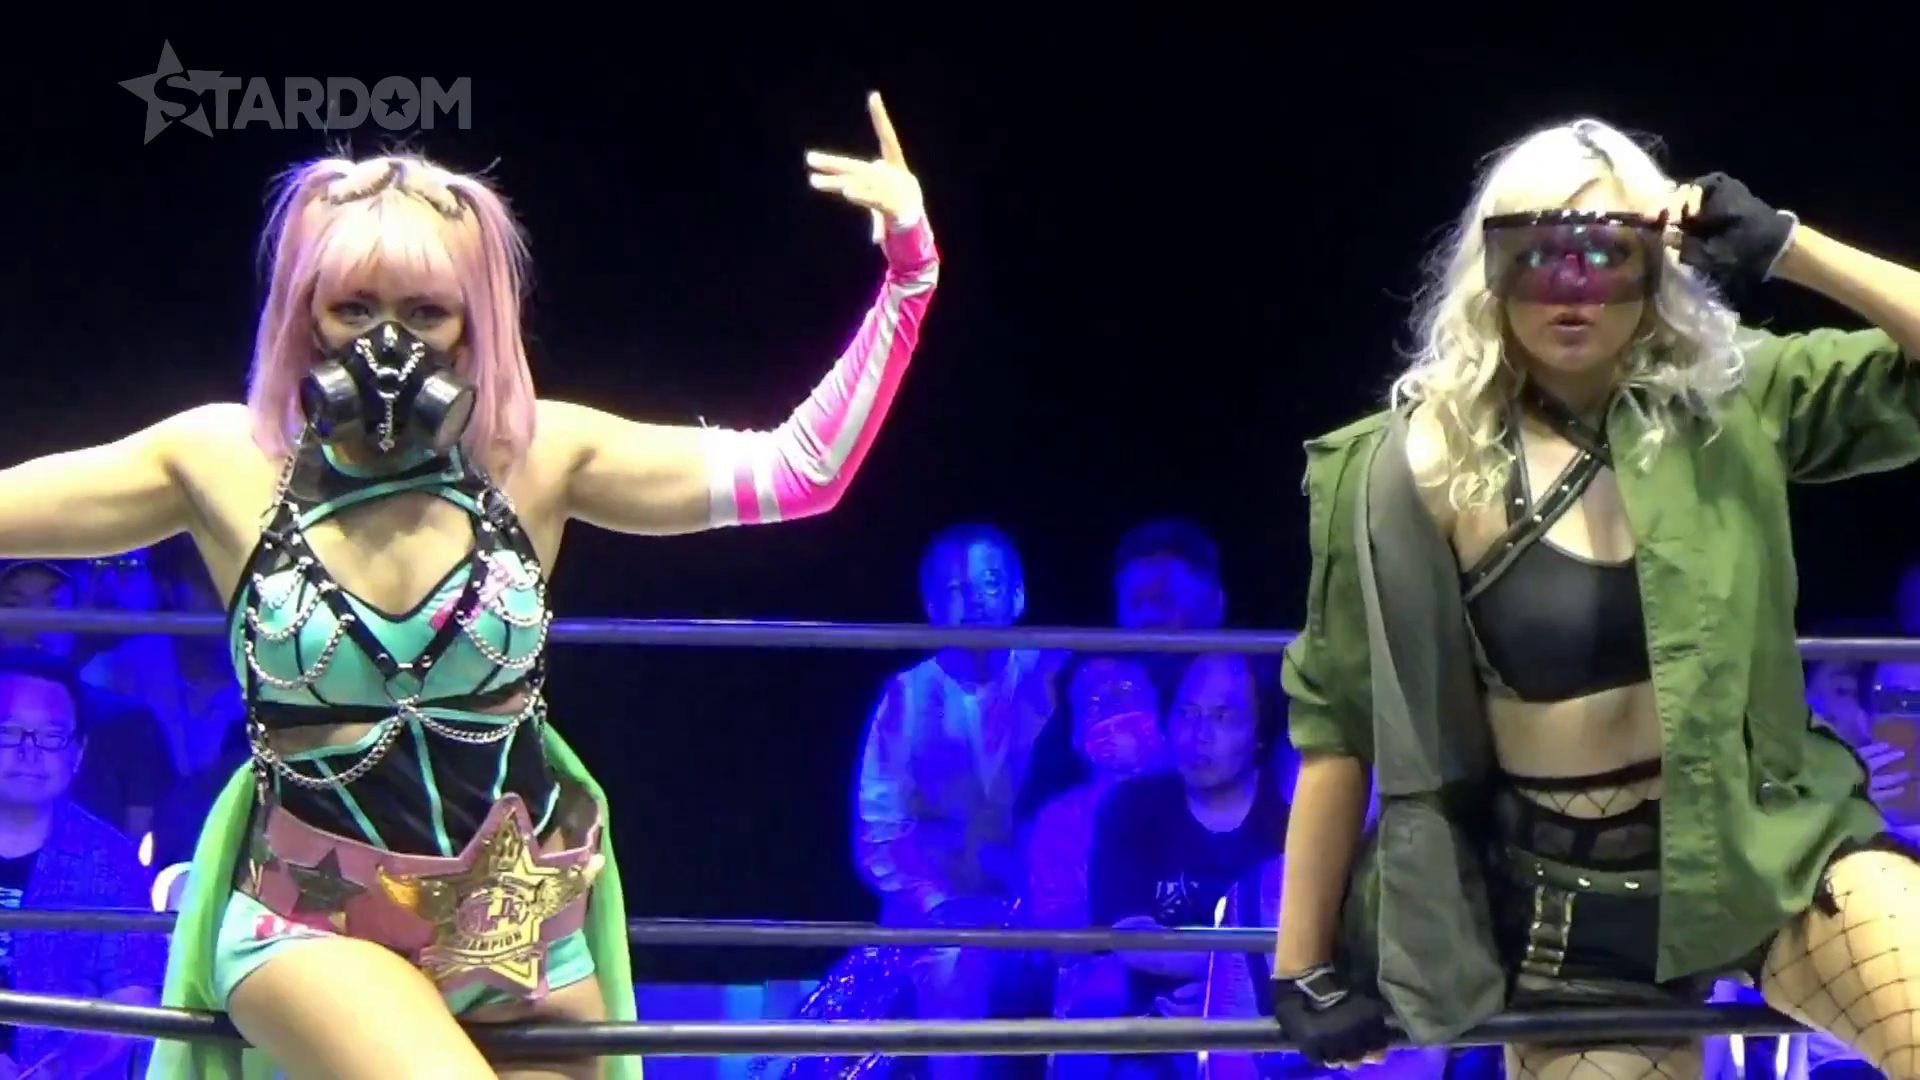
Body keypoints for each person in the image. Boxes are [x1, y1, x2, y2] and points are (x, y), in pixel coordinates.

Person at [0, 92, 936, 1080]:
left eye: (424, 312)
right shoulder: (223, 459)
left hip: (515, 924)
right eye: (353, 308)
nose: (386, 343)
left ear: (472, 324)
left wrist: (910, 273)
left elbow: (800, 471)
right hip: (312, 918)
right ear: (305, 316)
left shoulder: (538, 453)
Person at [1271, 116, 1920, 1080]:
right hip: (1568, 914)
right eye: (1537, 254)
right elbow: (1337, 720)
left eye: (1608, 253)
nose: (1571, 287)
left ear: (1657, 262)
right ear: (1490, 270)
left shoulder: (1732, 398)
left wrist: (1791, 246)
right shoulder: (1416, 464)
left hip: (1764, 851)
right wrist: (1302, 966)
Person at [853, 524, 1062, 1080]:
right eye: (954, 588)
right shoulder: (904, 696)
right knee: (952, 970)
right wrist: (938, 905)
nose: (974, 600)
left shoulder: (1053, 674)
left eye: (989, 583)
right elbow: (879, 833)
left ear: (1018, 596)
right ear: (930, 607)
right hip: (940, 920)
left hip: (1049, 912)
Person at [1087, 652, 1288, 1080]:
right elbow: (1131, 937)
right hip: (1151, 1023)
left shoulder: (1292, 816)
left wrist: (1225, 997)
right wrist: (1231, 980)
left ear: (1259, 733)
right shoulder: (1132, 808)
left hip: (1270, 1023)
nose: (1200, 735)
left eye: (1223, 717)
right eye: (1188, 713)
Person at [0, 647, 166, 1078]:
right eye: (9, 732)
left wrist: (53, 1071)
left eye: (51, 735)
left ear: (77, 753)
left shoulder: (111, 860)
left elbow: (134, 993)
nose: (29, 751)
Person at [0, 559, 178, 840]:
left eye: (54, 605)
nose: (35, 625)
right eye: (14, 606)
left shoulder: (131, 724)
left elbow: (143, 841)